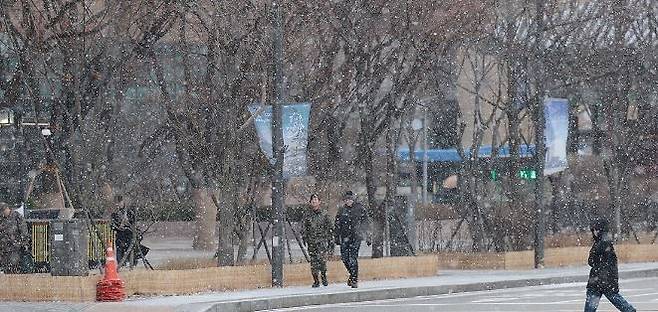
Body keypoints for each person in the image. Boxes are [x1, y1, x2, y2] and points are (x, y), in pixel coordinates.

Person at [584, 218, 636, 312]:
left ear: (600, 229)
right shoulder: (603, 241)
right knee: (613, 297)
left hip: (602, 279)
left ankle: (630, 310)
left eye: (595, 229)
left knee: (610, 298)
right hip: (603, 279)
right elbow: (593, 261)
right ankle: (630, 310)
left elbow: (592, 261)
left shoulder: (602, 243)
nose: (594, 232)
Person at [334, 191, 370, 288]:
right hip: (345, 237)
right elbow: (337, 225)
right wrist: (336, 237)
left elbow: (366, 223)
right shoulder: (341, 210)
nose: (348, 201)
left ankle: (354, 279)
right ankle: (352, 274)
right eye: (346, 199)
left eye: (350, 199)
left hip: (356, 236)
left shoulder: (359, 208)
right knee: (345, 258)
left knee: (352, 258)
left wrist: (368, 236)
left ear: (353, 199)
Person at [302, 194, 334, 288]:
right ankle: (316, 280)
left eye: (316, 200)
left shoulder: (324, 213)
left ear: (319, 202)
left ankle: (323, 276)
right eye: (312, 200)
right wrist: (304, 237)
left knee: (322, 260)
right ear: (310, 202)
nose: (314, 202)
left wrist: (330, 239)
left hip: (322, 240)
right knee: (313, 262)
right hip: (311, 241)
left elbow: (330, 227)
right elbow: (303, 227)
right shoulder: (307, 215)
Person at [0, 202, 30, 274]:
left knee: (14, 266)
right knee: (6, 268)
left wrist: (24, 243)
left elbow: (24, 230)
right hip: (4, 248)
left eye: (4, 211)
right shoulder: (1, 218)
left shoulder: (17, 216)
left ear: (8, 208)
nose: (4, 213)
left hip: (15, 247)